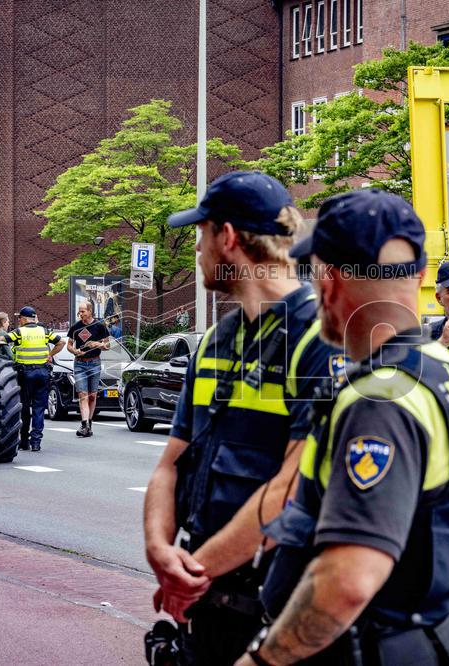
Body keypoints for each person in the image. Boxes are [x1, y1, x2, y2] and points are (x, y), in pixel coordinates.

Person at [234, 189, 449, 666]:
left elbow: (348, 580)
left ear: (329, 283)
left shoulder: (380, 396)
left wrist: (263, 660)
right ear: (418, 277)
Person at [144, 171, 344, 665]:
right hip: (207, 608)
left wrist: (189, 575)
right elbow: (172, 462)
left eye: (201, 234)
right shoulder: (215, 342)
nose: (198, 249)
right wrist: (160, 551)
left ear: (228, 239)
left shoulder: (319, 339)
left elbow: (290, 492)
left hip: (276, 609)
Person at [0, 306, 64, 452]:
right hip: (43, 373)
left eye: (19, 318)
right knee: (39, 408)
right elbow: (61, 342)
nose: (19, 320)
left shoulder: (20, 332)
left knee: (25, 407)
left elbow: (3, 339)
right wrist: (50, 355)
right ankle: (36, 442)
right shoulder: (44, 331)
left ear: (23, 318)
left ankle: (24, 441)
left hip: (25, 374)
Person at [67, 298, 111, 438]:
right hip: (79, 363)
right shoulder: (75, 327)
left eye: (83, 311)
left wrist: (96, 344)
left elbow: (107, 346)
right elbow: (69, 344)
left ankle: (89, 423)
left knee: (92, 396)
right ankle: (84, 424)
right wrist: (74, 351)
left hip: (94, 363)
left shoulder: (99, 326)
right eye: (79, 312)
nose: (80, 314)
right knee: (82, 394)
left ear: (90, 311)